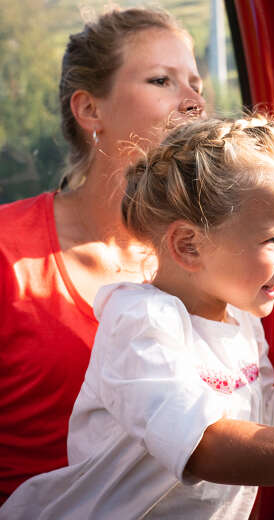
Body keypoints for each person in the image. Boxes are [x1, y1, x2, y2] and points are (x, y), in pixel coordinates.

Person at [0, 114, 274, 519]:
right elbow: (205, 447)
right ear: (189, 246)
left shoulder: (241, 319)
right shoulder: (141, 322)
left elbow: (260, 414)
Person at [0, 7, 205, 504]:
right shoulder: (8, 252)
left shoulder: (212, 254)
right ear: (91, 110)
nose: (196, 102)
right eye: (163, 80)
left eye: (196, 84)